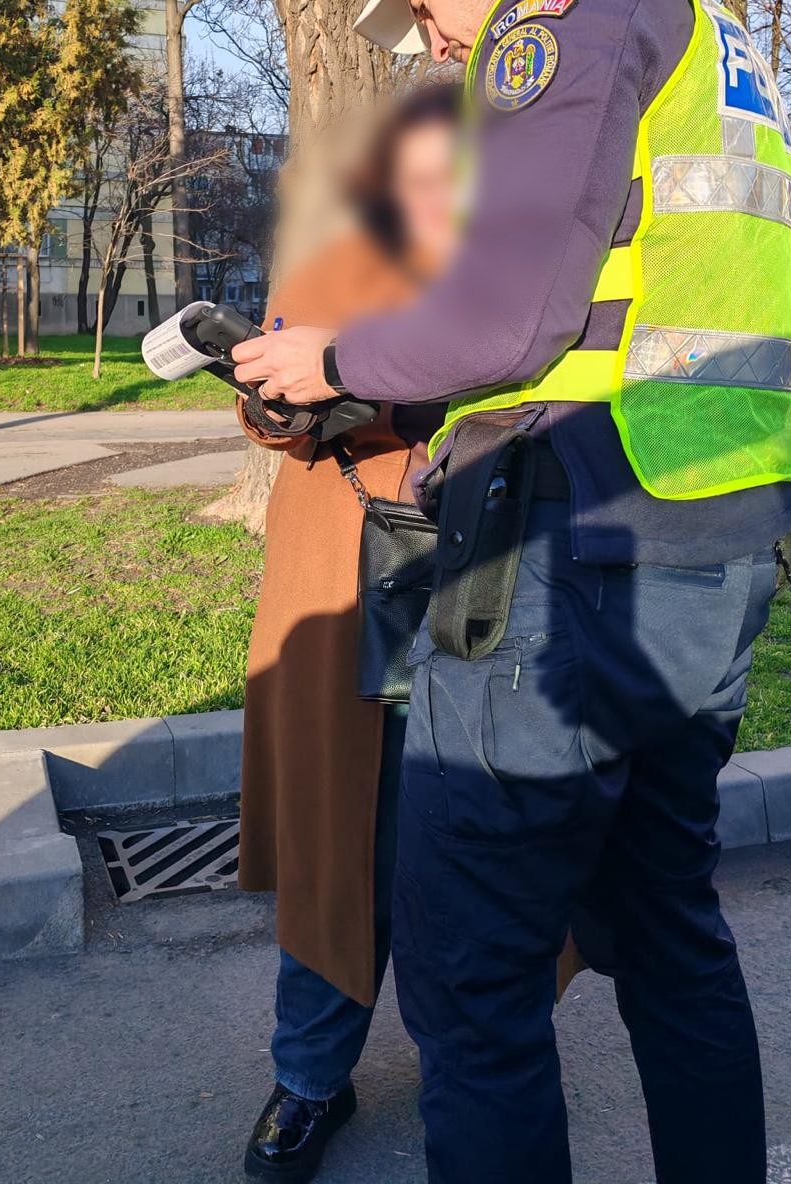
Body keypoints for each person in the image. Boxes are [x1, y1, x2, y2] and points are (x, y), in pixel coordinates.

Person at [232, 0, 791, 1184]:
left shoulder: (565, 7)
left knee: (471, 975)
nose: (434, 41)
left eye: (425, 0)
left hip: (572, 545)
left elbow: (511, 317)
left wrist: (333, 358)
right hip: (710, 537)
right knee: (668, 935)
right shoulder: (706, 24)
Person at [239, 83, 458, 1182]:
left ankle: (470, 1066)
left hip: (484, 584)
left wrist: (379, 383)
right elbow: (267, 406)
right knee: (340, 847)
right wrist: (277, 397)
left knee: (463, 843)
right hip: (344, 584)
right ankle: (311, 1075)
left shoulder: (522, 273)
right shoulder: (335, 263)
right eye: (409, 173)